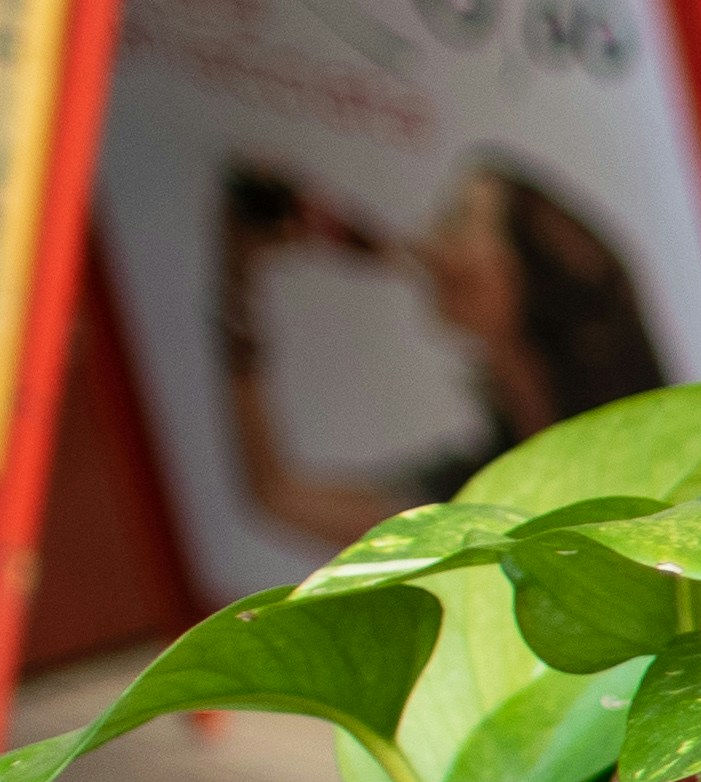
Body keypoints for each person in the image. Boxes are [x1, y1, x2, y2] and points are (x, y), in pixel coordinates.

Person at [209, 149, 665, 548]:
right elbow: (279, 495)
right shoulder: (475, 490)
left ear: (532, 266)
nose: (431, 239)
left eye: (457, 220)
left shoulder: (646, 461)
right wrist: (240, 279)